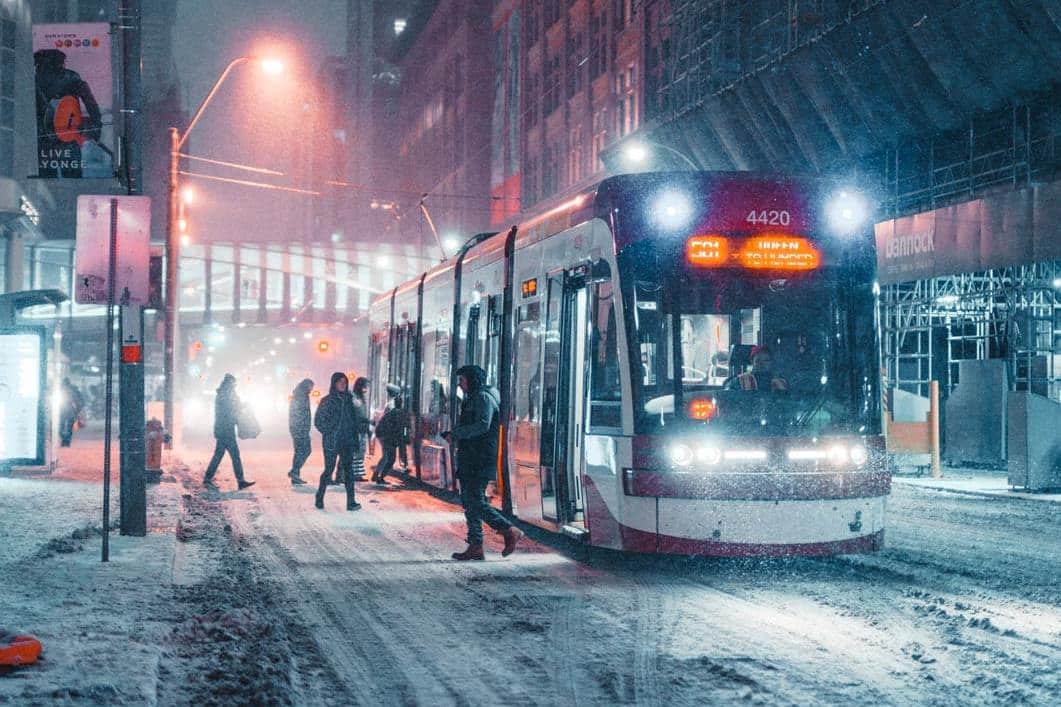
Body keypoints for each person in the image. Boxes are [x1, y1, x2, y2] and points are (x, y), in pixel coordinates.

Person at [445, 364, 522, 561]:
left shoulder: (483, 398)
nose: (460, 385)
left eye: (462, 380)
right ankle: (475, 545)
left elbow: (482, 425)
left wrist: (457, 434)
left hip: (479, 459)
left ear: (472, 380)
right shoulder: (475, 398)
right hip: (471, 457)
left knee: (476, 501)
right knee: (470, 502)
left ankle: (508, 530)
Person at [313, 373, 362, 511]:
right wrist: (329, 431)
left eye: (345, 382)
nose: (342, 384)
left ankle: (351, 502)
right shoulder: (327, 400)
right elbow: (318, 421)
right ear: (334, 383)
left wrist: (355, 438)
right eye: (340, 382)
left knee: (349, 471)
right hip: (332, 441)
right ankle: (319, 496)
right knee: (329, 470)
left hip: (347, 441)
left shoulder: (350, 401)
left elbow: (354, 422)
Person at [203, 374, 255, 491]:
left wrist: (241, 405)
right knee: (234, 455)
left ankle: (208, 478)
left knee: (220, 455)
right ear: (229, 383)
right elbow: (230, 410)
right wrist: (241, 407)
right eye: (234, 384)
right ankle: (240, 480)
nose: (235, 386)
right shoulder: (225, 395)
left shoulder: (225, 394)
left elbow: (233, 408)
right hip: (225, 430)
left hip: (224, 429)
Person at [373, 394, 406, 484]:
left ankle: (376, 475)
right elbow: (397, 429)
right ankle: (380, 478)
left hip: (384, 437)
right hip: (388, 439)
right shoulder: (399, 413)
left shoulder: (391, 412)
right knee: (391, 459)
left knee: (386, 457)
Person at [287, 379, 314, 486]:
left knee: (299, 451)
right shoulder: (300, 396)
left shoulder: (301, 394)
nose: (312, 389)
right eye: (311, 386)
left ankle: (295, 475)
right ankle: (294, 471)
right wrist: (301, 427)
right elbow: (298, 413)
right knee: (306, 450)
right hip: (300, 428)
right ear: (306, 386)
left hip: (299, 428)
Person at [349, 376, 372, 482]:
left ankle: (358, 474)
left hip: (362, 429)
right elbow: (356, 414)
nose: (366, 389)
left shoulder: (362, 398)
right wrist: (365, 420)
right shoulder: (353, 397)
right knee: (356, 452)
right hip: (356, 429)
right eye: (364, 386)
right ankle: (352, 473)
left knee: (361, 451)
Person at [58, 378, 84, 447]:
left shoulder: (73, 390)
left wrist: (78, 408)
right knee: (64, 427)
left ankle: (66, 440)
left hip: (69, 410)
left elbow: (80, 400)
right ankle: (66, 440)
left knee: (64, 426)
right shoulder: (60, 390)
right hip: (64, 410)